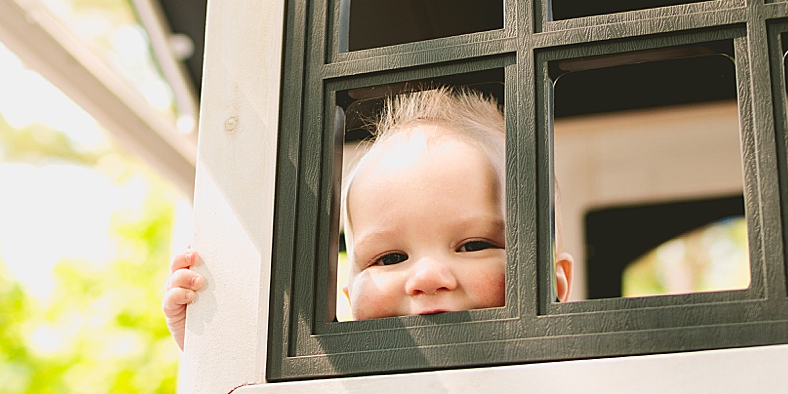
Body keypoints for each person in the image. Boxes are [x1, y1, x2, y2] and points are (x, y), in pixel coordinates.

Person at [163, 88, 572, 349]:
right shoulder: (338, 382)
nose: (427, 278)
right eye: (390, 258)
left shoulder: (575, 374)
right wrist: (207, 344)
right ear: (345, 301)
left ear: (553, 284)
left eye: (474, 245)